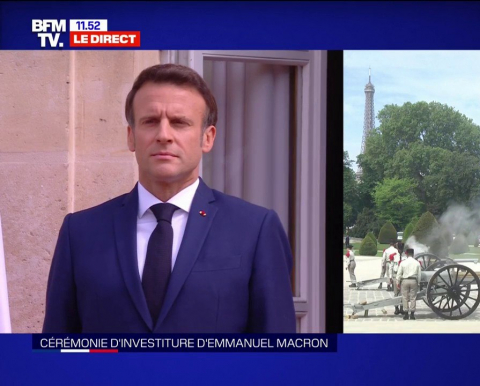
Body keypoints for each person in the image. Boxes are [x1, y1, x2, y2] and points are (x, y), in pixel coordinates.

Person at [42, 64, 296, 333]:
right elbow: (58, 349)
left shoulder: (254, 229)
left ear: (207, 138)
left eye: (179, 122)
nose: (164, 135)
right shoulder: (80, 232)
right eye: (150, 121)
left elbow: (275, 352)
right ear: (131, 137)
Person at [396, 248, 421, 320]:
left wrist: (398, 282)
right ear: (413, 254)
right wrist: (418, 283)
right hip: (414, 281)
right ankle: (412, 314)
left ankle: (406, 313)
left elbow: (399, 274)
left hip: (405, 280)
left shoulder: (403, 263)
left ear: (407, 254)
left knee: (405, 297)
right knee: (413, 297)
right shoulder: (417, 263)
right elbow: (419, 275)